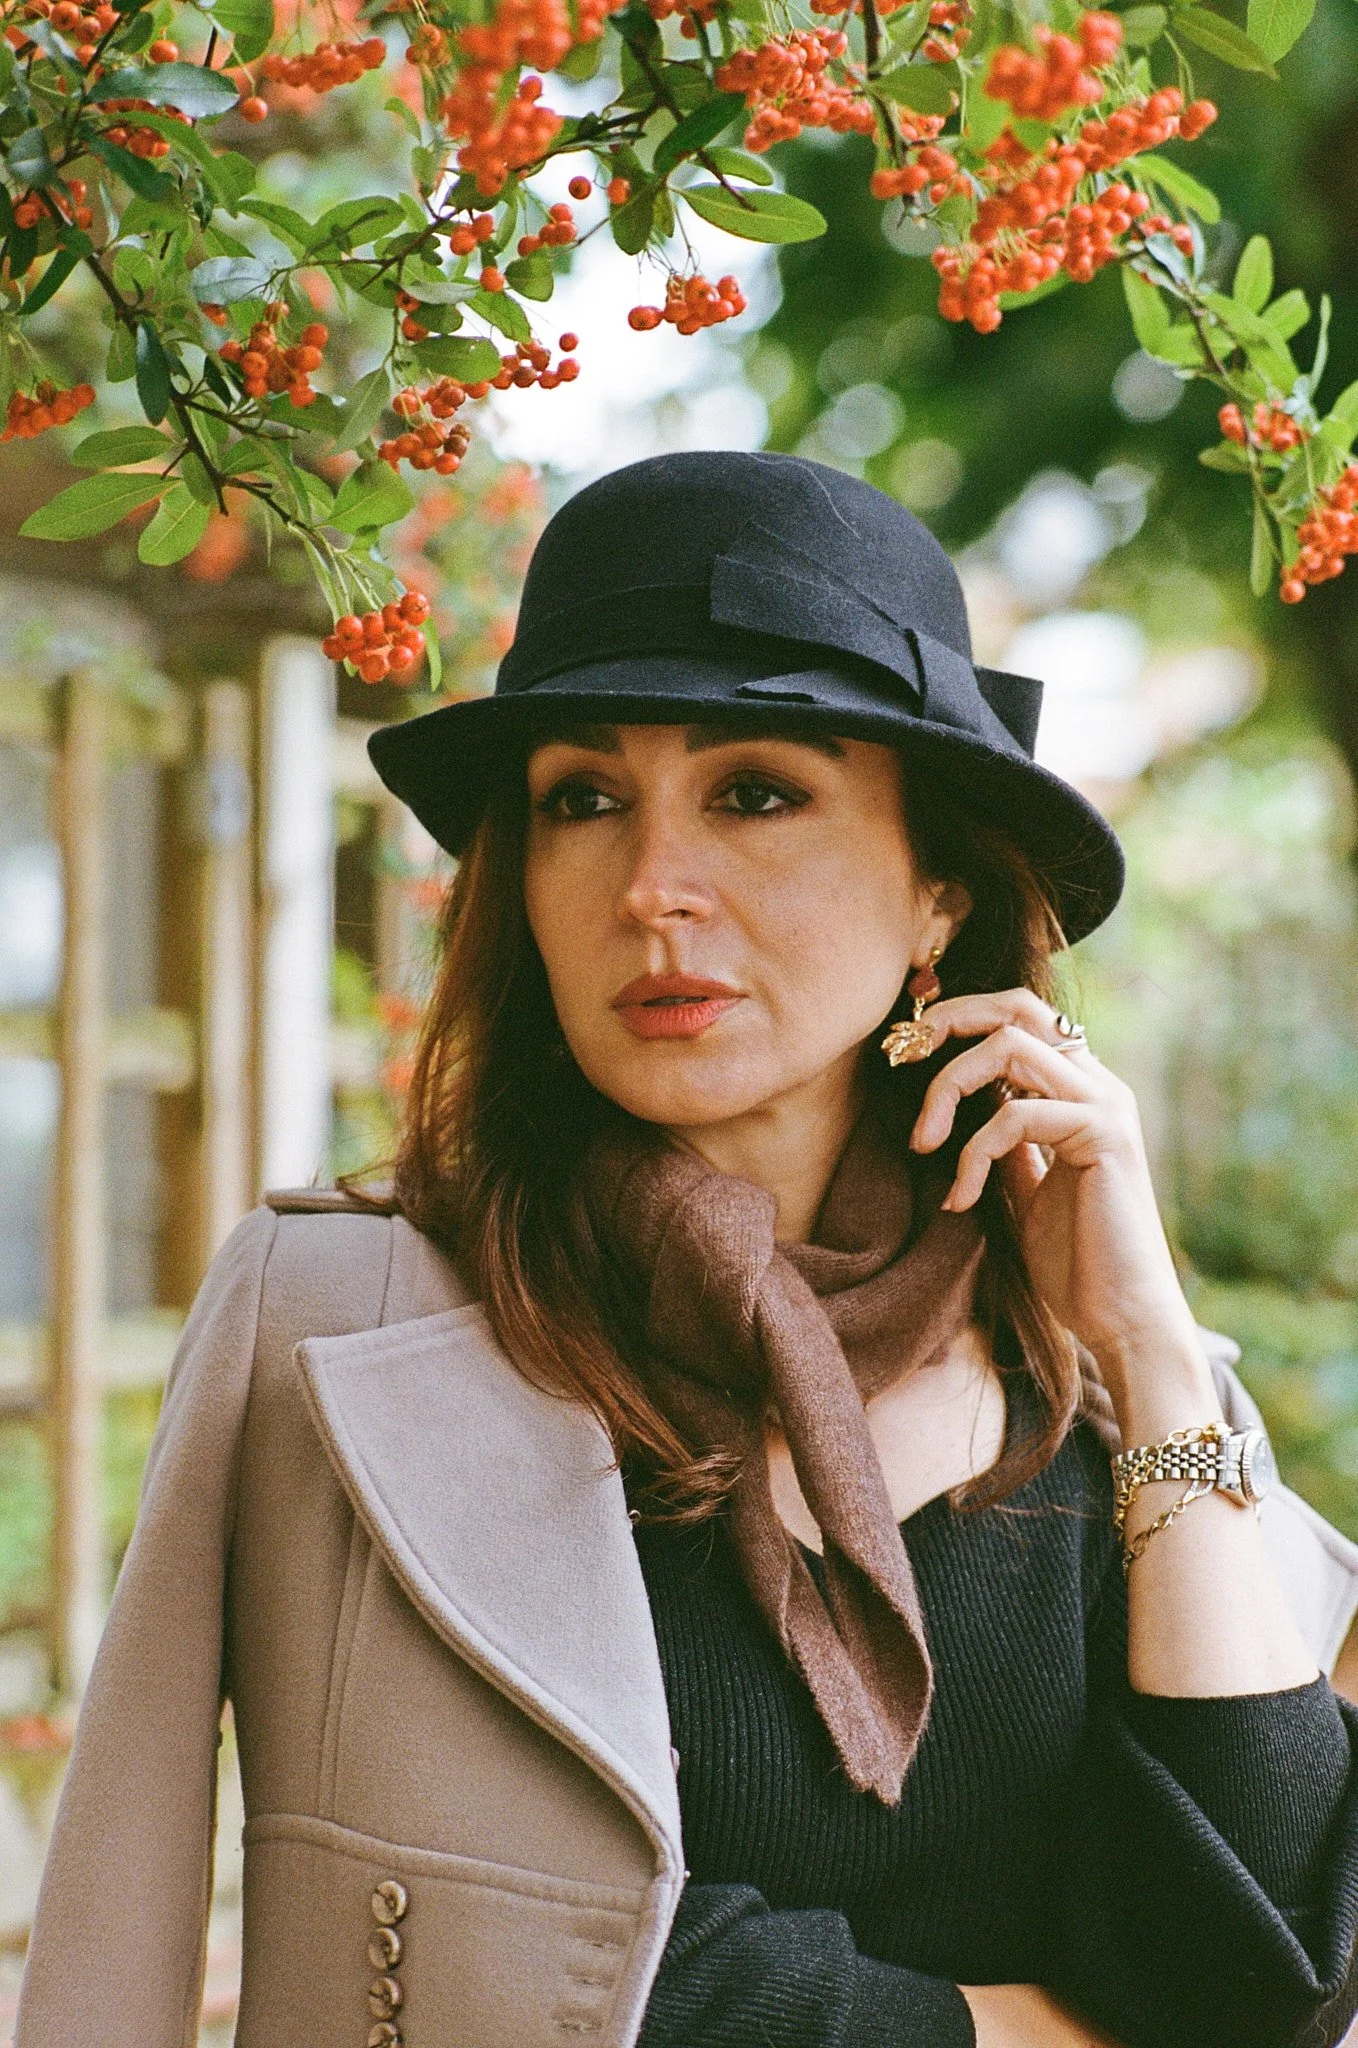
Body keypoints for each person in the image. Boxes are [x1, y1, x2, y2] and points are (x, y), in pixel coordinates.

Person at [17, 451, 1358, 2048]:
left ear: (936, 890)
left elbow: (1262, 1978)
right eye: (583, 800)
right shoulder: (343, 1320)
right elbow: (538, 1971)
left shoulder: (1108, 1390)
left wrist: (1145, 1342)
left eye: (755, 792)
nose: (654, 888)